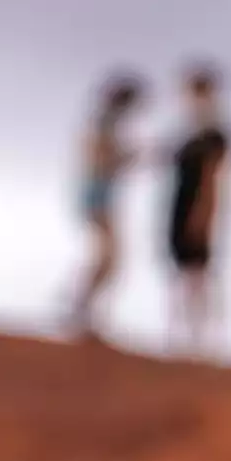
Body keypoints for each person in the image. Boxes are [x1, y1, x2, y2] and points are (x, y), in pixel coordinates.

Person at [72, 72, 145, 339]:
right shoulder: (104, 124)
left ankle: (85, 309)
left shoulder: (106, 124)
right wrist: (129, 158)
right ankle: (82, 308)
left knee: (108, 257)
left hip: (100, 196)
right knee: (109, 257)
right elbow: (101, 162)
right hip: (98, 197)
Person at [167, 62, 231, 355]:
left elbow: (213, 178)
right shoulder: (190, 133)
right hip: (180, 205)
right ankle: (184, 339)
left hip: (196, 207)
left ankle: (203, 343)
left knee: (200, 275)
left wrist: (204, 214)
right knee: (184, 274)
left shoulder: (214, 134)